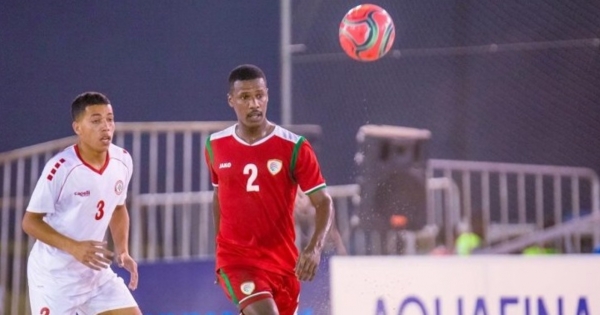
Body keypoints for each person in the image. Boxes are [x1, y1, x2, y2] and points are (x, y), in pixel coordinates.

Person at [204, 64, 334, 315]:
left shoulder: (294, 147)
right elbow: (218, 195)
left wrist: (314, 248)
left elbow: (324, 202)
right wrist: (218, 252)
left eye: (259, 95)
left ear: (267, 96)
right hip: (237, 260)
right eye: (245, 97)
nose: (254, 103)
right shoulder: (215, 145)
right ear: (231, 100)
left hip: (283, 264)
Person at [22, 92, 141, 315]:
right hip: (54, 278)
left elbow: (118, 207)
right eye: (96, 121)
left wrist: (123, 250)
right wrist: (74, 247)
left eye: (110, 119)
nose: (106, 127)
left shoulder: (122, 160)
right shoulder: (61, 168)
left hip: (94, 274)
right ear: (77, 128)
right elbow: (30, 222)